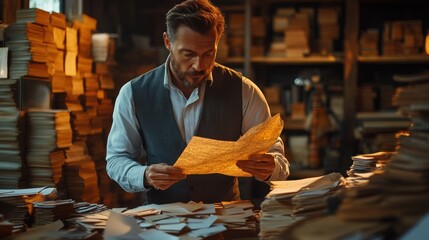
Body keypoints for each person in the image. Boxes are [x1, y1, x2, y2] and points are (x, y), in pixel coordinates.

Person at [106, 0, 289, 204]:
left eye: (209, 53)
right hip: (161, 223)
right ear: (168, 42)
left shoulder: (244, 91)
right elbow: (116, 160)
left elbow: (278, 159)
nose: (199, 65)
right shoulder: (133, 93)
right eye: (188, 54)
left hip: (225, 221)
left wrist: (270, 167)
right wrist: (144, 175)